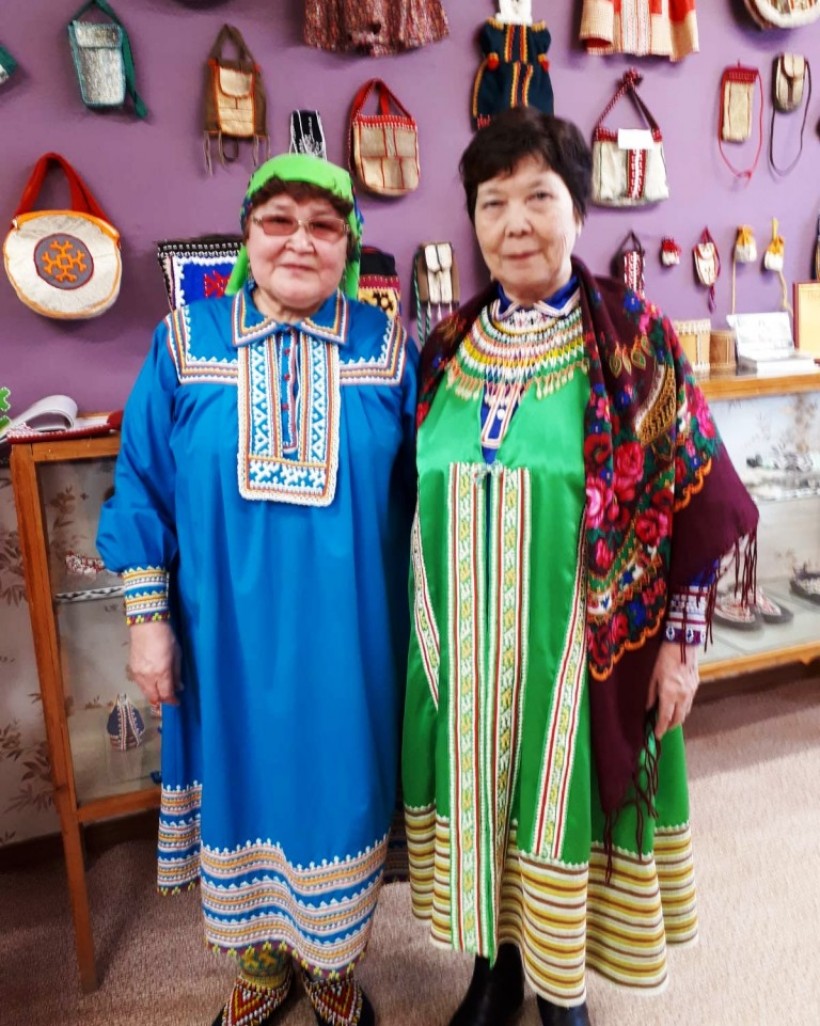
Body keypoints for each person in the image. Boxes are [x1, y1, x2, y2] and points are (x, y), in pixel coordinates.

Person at [401, 107, 758, 1026]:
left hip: (579, 653)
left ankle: (564, 992)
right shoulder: (445, 348)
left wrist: (682, 646)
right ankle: (493, 969)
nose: (515, 223)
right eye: (492, 203)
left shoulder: (635, 341)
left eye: (538, 197)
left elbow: (697, 492)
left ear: (579, 209)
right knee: (484, 804)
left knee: (563, 801)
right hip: (470, 657)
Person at [97, 153, 417, 1026]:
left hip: (351, 643)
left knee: (342, 795)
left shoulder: (389, 348)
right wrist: (147, 623)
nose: (300, 241)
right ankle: (265, 965)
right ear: (247, 234)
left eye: (324, 225)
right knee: (245, 793)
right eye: (279, 220)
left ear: (349, 243)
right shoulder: (185, 342)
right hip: (225, 644)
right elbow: (142, 486)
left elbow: (433, 490)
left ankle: (331, 962)